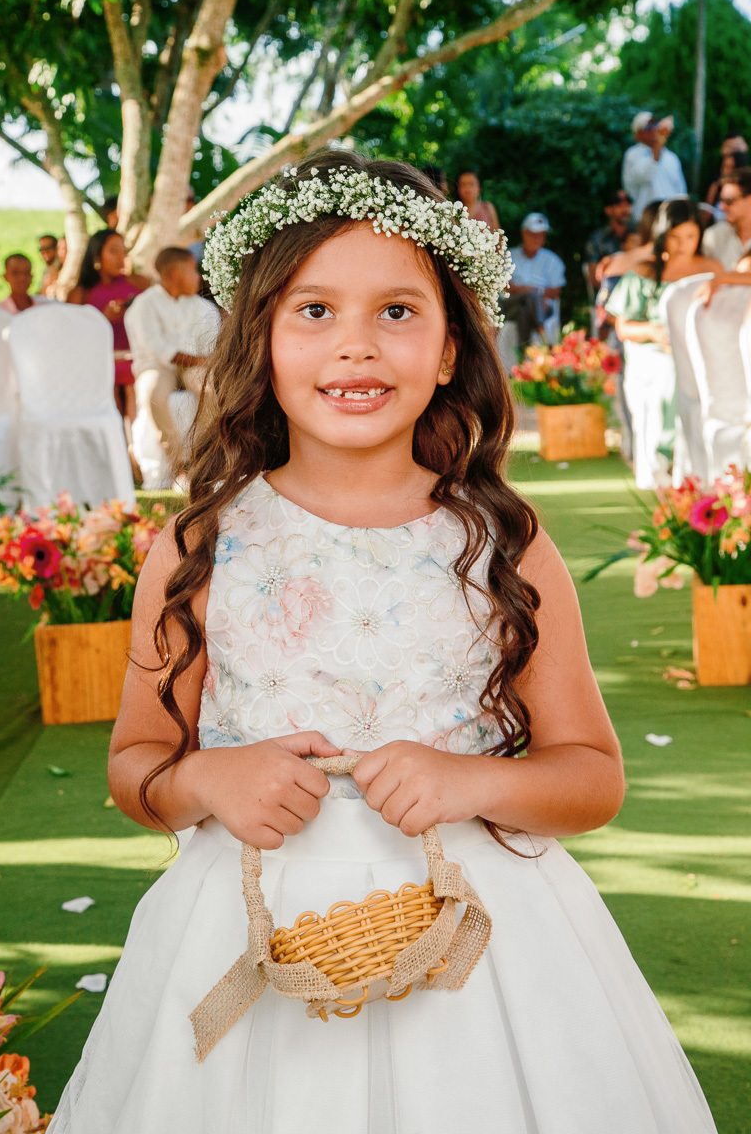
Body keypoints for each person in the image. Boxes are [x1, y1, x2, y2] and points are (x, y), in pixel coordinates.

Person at [48, 150, 717, 1134]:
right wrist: (206, 782)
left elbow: (591, 776)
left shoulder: (503, 546)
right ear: (261, 338)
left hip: (480, 950)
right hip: (242, 924)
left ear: (448, 347)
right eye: (313, 311)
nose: (354, 347)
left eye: (396, 312)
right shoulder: (198, 545)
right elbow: (136, 764)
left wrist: (472, 783)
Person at [606, 198, 723, 489]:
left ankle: (697, 467)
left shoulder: (712, 268)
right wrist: (655, 332)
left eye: (690, 236)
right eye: (675, 236)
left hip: (704, 352)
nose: (683, 244)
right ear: (661, 235)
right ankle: (661, 459)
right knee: (668, 375)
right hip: (654, 352)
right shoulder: (645, 272)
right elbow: (623, 327)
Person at [125, 247, 221, 470]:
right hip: (157, 366)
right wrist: (199, 360)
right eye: (193, 271)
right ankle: (179, 461)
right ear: (174, 275)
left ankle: (206, 454)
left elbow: (212, 349)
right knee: (152, 392)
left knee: (209, 387)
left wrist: (202, 362)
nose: (198, 277)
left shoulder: (203, 307)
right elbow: (156, 347)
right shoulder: (145, 304)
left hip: (194, 366)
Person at [69, 229, 150, 423]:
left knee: (133, 384)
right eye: (114, 251)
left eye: (123, 252)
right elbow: (71, 337)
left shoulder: (138, 283)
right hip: (100, 362)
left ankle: (136, 446)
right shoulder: (80, 294)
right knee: (110, 383)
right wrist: (103, 318)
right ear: (97, 255)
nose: (120, 258)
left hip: (137, 358)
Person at [502, 212, 566, 347]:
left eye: (542, 235)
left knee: (525, 309)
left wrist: (532, 293)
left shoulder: (552, 260)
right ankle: (542, 332)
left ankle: (523, 352)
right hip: (511, 306)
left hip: (540, 306)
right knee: (530, 297)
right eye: (534, 234)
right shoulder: (509, 256)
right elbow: (505, 286)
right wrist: (533, 292)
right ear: (524, 233)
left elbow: (556, 291)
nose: (538, 239)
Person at [622, 112, 687, 221]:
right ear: (637, 134)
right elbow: (646, 175)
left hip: (669, 219)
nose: (654, 129)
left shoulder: (672, 157)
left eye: (655, 124)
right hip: (644, 219)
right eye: (648, 126)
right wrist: (660, 140)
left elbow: (680, 190)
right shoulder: (632, 154)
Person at [584, 188, 635, 291]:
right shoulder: (597, 239)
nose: (625, 209)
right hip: (610, 293)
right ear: (608, 210)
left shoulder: (640, 232)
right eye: (619, 206)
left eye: (628, 205)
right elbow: (594, 278)